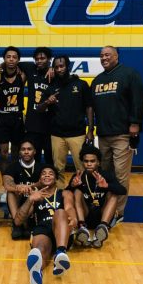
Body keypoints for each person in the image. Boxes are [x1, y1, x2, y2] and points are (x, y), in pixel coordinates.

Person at [91, 46, 143, 223]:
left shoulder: (129, 74)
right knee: (105, 174)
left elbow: (139, 100)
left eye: (107, 55)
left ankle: (118, 212)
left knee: (121, 174)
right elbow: (92, 108)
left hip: (122, 134)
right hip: (103, 135)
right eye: (101, 55)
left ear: (116, 56)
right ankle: (107, 206)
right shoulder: (97, 80)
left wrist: (135, 123)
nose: (104, 58)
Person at [14, 165, 77, 284]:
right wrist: (30, 200)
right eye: (43, 173)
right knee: (40, 250)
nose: (47, 175)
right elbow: (18, 221)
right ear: (39, 179)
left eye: (50, 173)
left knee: (60, 212)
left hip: (62, 229)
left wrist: (73, 217)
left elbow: (69, 207)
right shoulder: (36, 197)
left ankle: (60, 252)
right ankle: (37, 272)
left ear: (56, 179)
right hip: (43, 229)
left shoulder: (64, 193)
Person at [38, 54, 93, 189]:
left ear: (68, 66)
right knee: (58, 169)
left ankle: (83, 193)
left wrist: (90, 130)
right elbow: (39, 108)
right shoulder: (50, 87)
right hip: (57, 135)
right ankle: (60, 196)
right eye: (56, 67)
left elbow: (89, 107)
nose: (59, 69)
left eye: (62, 66)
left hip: (77, 134)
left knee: (81, 167)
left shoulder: (81, 84)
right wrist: (47, 101)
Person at [68, 145, 126, 248]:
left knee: (113, 193)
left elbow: (123, 190)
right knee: (76, 191)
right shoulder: (78, 176)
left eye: (92, 161)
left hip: (102, 215)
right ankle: (82, 227)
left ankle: (103, 227)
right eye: (86, 161)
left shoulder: (106, 175)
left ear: (98, 162)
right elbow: (65, 194)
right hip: (85, 216)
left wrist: (107, 186)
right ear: (82, 162)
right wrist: (72, 186)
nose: (89, 164)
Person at [0, 46, 26, 176]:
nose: (11, 59)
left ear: (18, 59)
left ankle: (14, 181)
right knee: (3, 154)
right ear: (4, 59)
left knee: (15, 153)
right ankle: (4, 184)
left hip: (17, 117)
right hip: (3, 117)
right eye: (8, 57)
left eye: (14, 57)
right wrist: (0, 66)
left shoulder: (22, 75)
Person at [2, 139, 42, 240]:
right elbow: (6, 184)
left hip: (33, 203)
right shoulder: (12, 166)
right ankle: (17, 224)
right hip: (18, 201)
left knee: (35, 196)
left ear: (35, 151)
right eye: (23, 149)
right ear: (19, 152)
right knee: (10, 193)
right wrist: (18, 187)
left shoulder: (41, 167)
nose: (26, 152)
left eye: (29, 149)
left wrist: (29, 187)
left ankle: (28, 223)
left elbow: (46, 183)